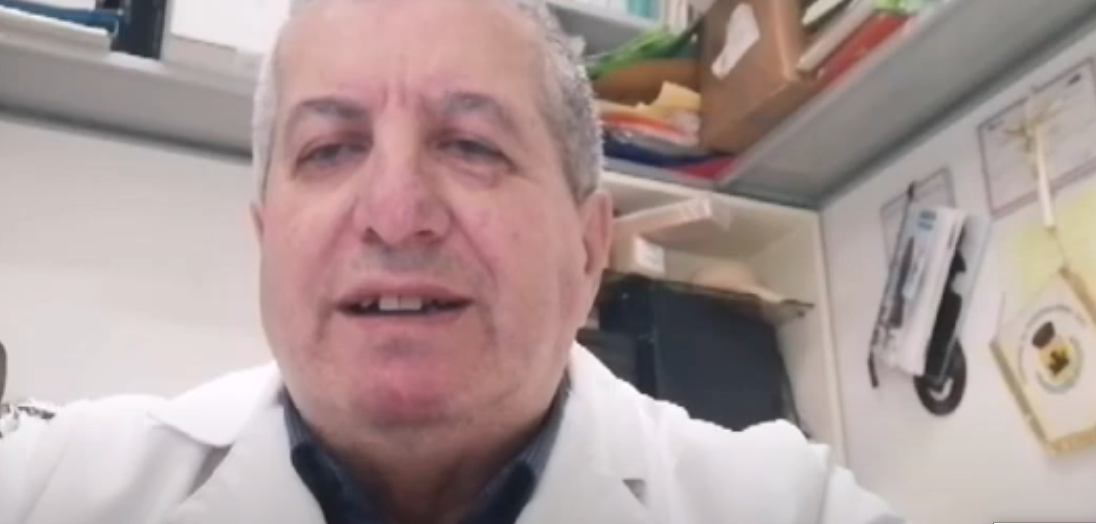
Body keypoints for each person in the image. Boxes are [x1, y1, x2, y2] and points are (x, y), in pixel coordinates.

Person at [0, 0, 907, 523]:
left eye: (472, 145)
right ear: (267, 240)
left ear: (588, 249)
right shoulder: (53, 485)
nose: (397, 215)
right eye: (330, 149)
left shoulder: (784, 506)